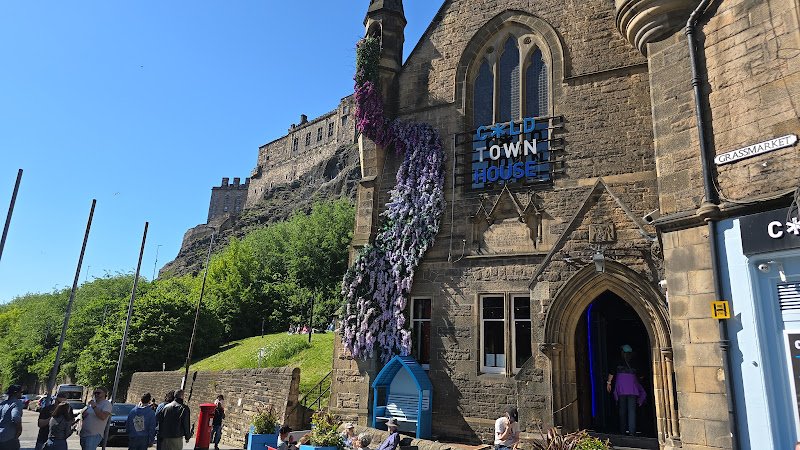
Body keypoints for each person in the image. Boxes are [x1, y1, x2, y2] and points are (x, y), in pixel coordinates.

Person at [606, 344, 647, 436]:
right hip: (632, 389)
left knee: (622, 410)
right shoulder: (635, 362)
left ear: (622, 352)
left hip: (621, 389)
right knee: (632, 411)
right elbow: (641, 375)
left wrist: (608, 383)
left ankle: (623, 431)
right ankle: (632, 432)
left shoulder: (617, 361)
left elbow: (612, 372)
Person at [0, 385, 23, 450]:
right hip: (8, 438)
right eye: (20, 392)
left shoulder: (3, 404)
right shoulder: (16, 403)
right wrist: (19, 429)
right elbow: (15, 417)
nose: (21, 394)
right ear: (16, 393)